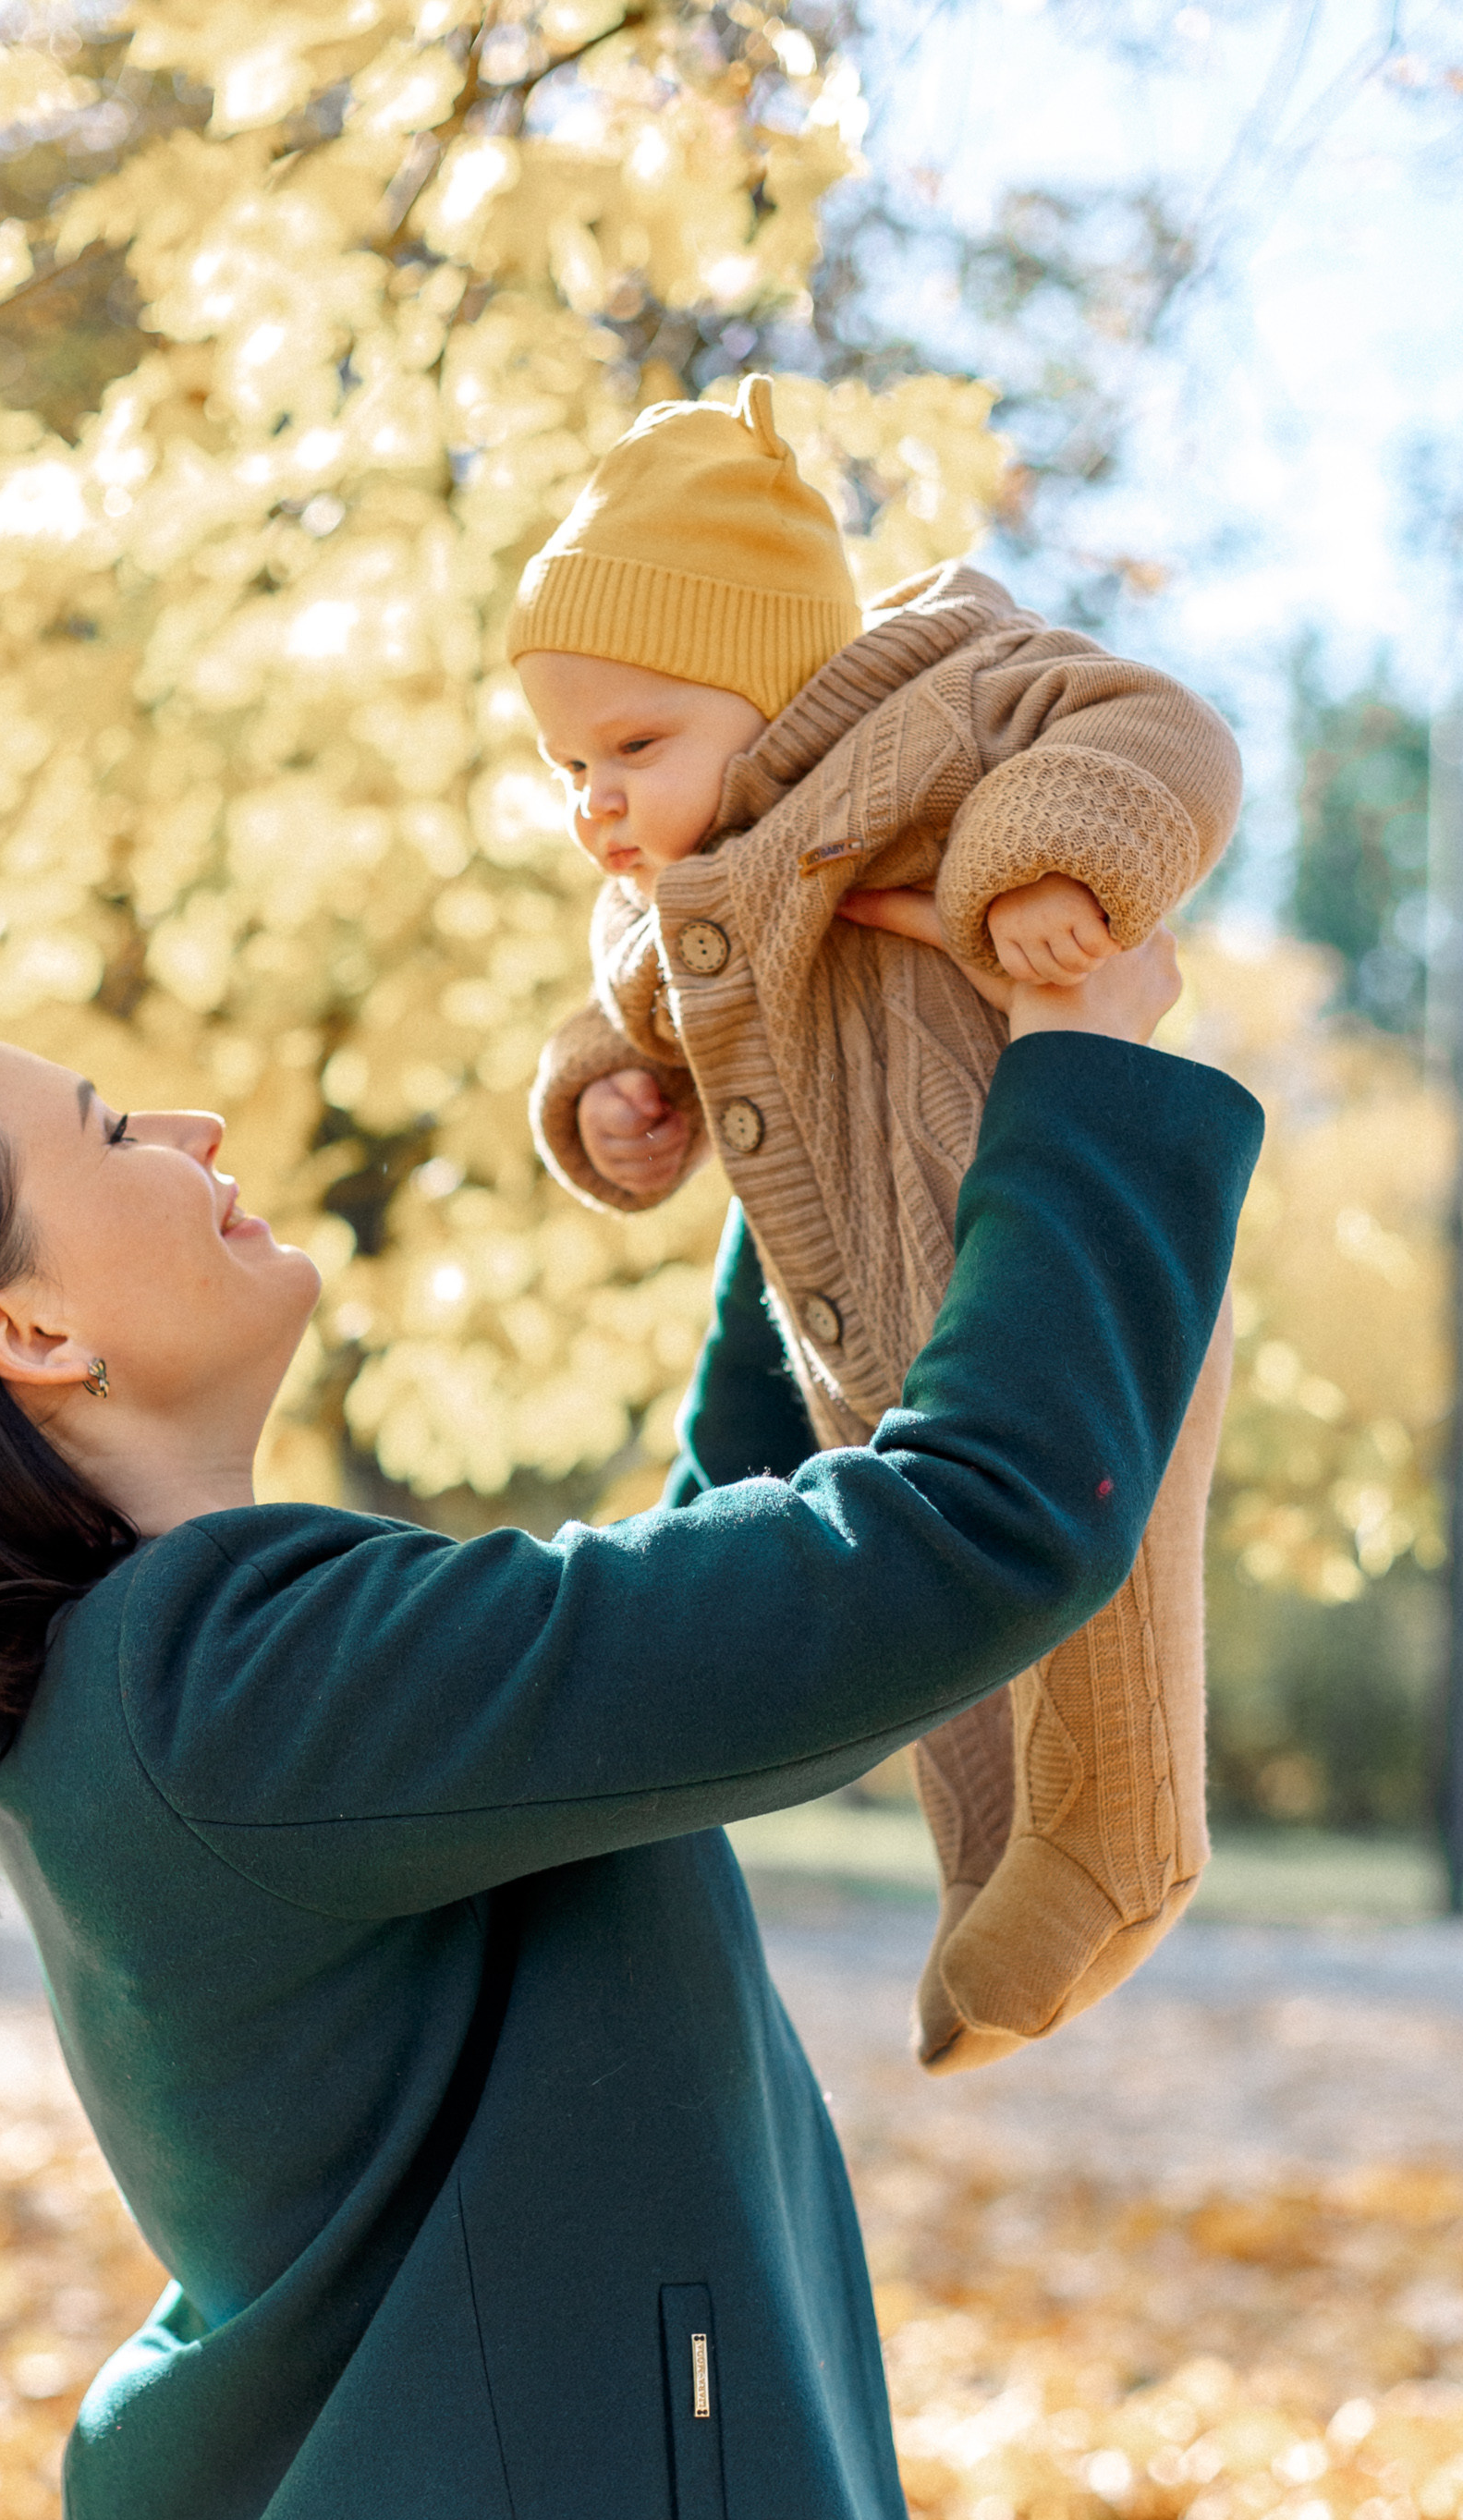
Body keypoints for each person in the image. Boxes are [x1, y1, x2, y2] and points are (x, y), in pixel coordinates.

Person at [0, 949, 1260, 2520]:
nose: (193, 1126)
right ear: (27, 1334)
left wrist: (772, 1135)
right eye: (109, 1134)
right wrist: (1082, 1071)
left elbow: (688, 1648)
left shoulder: (171, 1688)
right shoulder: (231, 1689)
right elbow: (956, 1545)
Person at [511, 375, 1245, 2072]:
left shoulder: (945, 695)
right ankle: (991, 1874)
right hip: (867, 1320)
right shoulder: (684, 885)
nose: (599, 800)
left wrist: (1051, 867)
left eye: (635, 746)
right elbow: (627, 997)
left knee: (1106, 1567)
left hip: (1077, 1245)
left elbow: (1163, 733)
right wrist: (609, 1096)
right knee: (951, 1649)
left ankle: (1129, 1837)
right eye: (569, 765)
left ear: (778, 686)